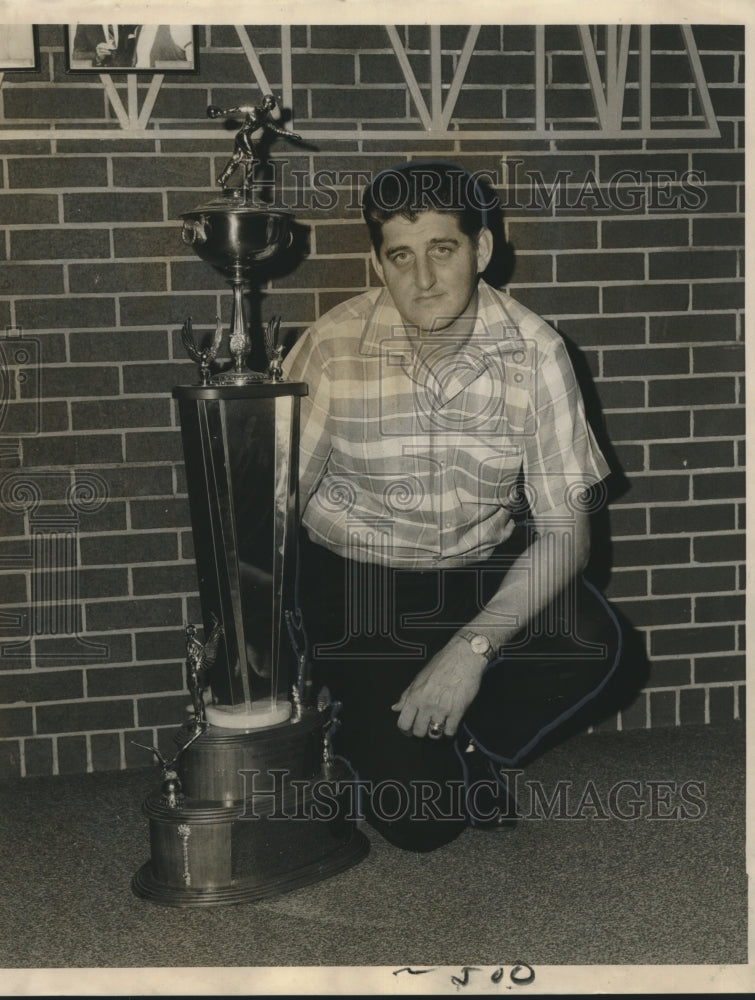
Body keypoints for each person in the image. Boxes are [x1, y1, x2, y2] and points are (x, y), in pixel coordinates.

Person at [283, 160, 622, 852]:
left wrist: (469, 652)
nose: (423, 279)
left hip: (472, 568)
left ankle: (469, 744)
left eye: (443, 249)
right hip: (357, 579)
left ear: (483, 250)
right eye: (400, 257)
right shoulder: (330, 348)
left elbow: (564, 536)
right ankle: (362, 724)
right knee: (421, 825)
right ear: (377, 262)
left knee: (595, 642)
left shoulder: (537, 351)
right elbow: (270, 510)